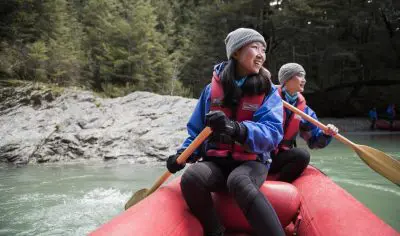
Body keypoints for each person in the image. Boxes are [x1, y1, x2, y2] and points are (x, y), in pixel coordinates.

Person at [166, 28, 285, 236]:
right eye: (254, 47)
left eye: (263, 49)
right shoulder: (211, 90)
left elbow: (273, 132)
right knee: (191, 178)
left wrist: (236, 128)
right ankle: (216, 231)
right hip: (217, 162)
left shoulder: (268, 91)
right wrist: (182, 154)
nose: (261, 54)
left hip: (252, 162)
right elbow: (196, 130)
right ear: (236, 53)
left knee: (238, 181)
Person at [269, 63, 339, 183]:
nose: (304, 80)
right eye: (300, 75)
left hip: (280, 157)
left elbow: (314, 143)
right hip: (261, 154)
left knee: (302, 155)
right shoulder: (268, 97)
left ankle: (281, 186)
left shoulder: (304, 110)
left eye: (304, 76)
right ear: (287, 79)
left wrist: (325, 134)